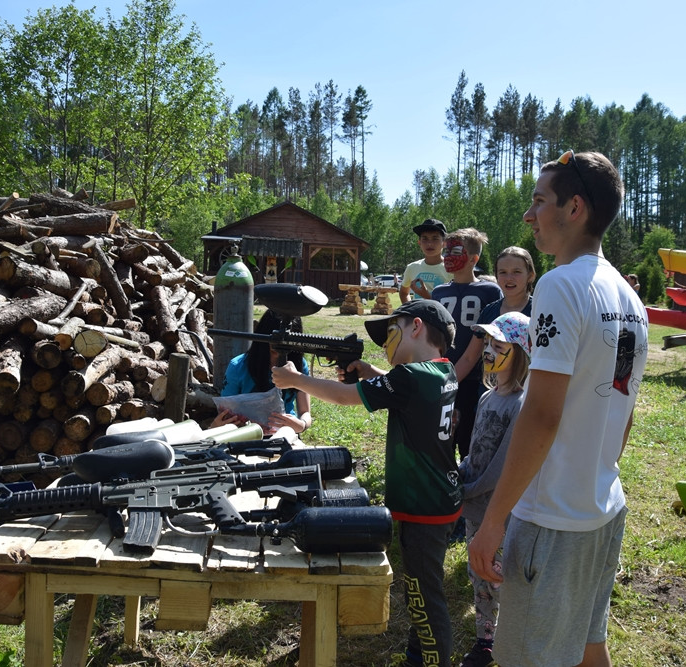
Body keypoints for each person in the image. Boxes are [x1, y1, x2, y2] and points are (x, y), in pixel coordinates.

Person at [468, 150, 649, 667]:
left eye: (539, 201)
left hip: (552, 520)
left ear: (574, 208)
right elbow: (624, 406)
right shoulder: (626, 296)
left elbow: (542, 413)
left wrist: (493, 522)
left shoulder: (560, 285)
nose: (529, 216)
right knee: (591, 646)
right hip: (603, 508)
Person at [272, 299, 462, 667]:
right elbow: (404, 392)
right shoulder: (443, 371)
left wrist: (295, 381)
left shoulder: (410, 377)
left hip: (422, 505)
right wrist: (370, 371)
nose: (387, 343)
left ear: (417, 327)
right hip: (440, 499)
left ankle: (431, 660)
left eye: (394, 331)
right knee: (421, 588)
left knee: (424, 595)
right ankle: (418, 655)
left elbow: (345, 398)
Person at [457, 311, 531, 667]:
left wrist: (467, 487)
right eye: (487, 343)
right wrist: (459, 474)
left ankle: (513, 637)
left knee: (501, 575)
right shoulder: (488, 396)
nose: (488, 350)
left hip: (498, 510)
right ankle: (486, 640)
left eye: (498, 345)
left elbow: (503, 464)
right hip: (474, 504)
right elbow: (475, 451)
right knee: (479, 575)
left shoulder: (521, 405)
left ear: (520, 354)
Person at [431, 228, 503, 461]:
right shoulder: (439, 292)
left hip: (476, 378)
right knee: (442, 434)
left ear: (474, 258)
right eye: (447, 250)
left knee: (469, 436)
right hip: (443, 373)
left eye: (456, 251)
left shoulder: (490, 291)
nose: (449, 256)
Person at [209, 309, 312, 435]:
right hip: (244, 436)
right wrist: (218, 426)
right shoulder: (238, 366)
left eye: (286, 343)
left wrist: (302, 425)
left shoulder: (299, 365)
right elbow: (226, 413)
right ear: (262, 336)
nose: (278, 347)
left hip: (285, 434)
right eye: (274, 340)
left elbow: (305, 412)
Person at [453, 246, 536, 386]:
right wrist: (445, 388)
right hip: (491, 392)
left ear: (530, 275)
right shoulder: (488, 312)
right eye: (503, 272)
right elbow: (469, 358)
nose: (509, 278)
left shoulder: (539, 312)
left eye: (516, 272)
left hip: (526, 395)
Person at [400, 218, 453, 303]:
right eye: (425, 239)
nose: (429, 244)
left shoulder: (452, 269)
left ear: (444, 243)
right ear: (419, 243)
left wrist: (427, 296)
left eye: (435, 239)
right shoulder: (412, 267)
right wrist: (410, 311)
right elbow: (404, 293)